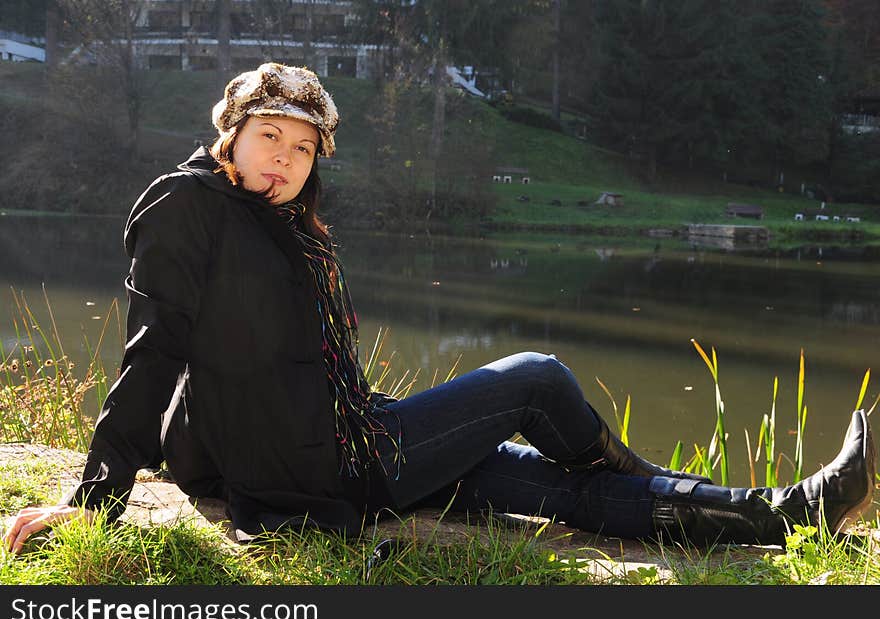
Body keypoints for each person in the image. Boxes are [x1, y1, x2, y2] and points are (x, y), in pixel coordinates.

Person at [4, 63, 875, 555]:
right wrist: (99, 494)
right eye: (268, 135)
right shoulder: (186, 204)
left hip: (329, 438)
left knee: (548, 488)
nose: (285, 158)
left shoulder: (281, 227)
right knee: (535, 376)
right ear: (229, 134)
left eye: (304, 147)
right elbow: (152, 350)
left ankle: (791, 512)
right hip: (317, 460)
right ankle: (635, 471)